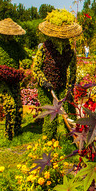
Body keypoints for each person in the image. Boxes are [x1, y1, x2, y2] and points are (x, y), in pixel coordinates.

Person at [33, 10, 82, 139]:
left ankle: (73, 139)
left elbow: (73, 69)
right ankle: (49, 140)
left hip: (61, 85)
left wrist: (71, 86)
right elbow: (36, 69)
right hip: (46, 88)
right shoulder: (44, 49)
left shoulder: (70, 52)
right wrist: (44, 82)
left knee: (70, 111)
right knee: (51, 114)